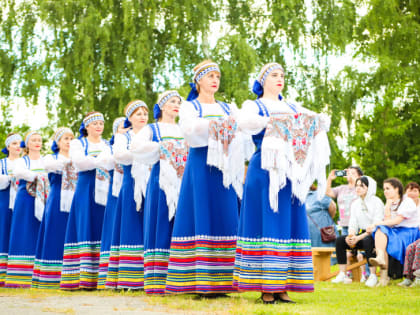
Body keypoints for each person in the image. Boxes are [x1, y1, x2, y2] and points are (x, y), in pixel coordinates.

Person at [233, 63, 330, 303]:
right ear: (262, 81)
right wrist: (272, 122)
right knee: (266, 222)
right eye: (274, 75)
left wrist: (315, 121)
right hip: (264, 169)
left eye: (282, 76)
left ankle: (283, 285)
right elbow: (244, 123)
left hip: (289, 173)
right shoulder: (254, 105)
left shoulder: (292, 105)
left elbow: (317, 121)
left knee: (286, 225)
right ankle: (266, 287)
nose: (280, 79)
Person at [165, 60, 242, 296]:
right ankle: (200, 280)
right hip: (201, 164)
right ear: (198, 80)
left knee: (226, 214)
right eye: (210, 76)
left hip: (226, 169)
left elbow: (240, 127)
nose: (215, 80)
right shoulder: (190, 106)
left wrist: (222, 127)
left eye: (218, 76)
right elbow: (189, 130)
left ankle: (225, 280)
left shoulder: (229, 107)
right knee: (201, 214)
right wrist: (219, 126)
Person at [131, 91, 188, 295]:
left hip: (183, 181)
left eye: (178, 102)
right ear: (162, 106)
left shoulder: (183, 129)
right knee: (161, 221)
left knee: (181, 224)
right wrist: (163, 147)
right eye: (172, 102)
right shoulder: (151, 129)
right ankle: (158, 278)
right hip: (160, 181)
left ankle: (180, 275)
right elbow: (135, 147)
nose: (176, 105)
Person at [60, 112, 114, 290]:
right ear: (87, 126)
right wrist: (100, 161)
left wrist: (94, 161)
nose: (99, 126)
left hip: (105, 187)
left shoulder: (107, 143)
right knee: (85, 224)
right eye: (95, 123)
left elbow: (111, 162)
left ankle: (101, 276)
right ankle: (83, 277)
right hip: (86, 187)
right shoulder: (78, 143)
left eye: (101, 123)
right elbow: (79, 163)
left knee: (101, 226)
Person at [105, 101, 149, 290]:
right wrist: (143, 153)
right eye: (138, 114)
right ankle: (128, 278)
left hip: (150, 181)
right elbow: (120, 156)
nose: (142, 117)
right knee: (131, 223)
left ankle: (151, 273)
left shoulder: (152, 133)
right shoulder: (123, 137)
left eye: (145, 113)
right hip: (130, 182)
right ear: (129, 118)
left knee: (148, 222)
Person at [32, 128, 77, 289]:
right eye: (65, 138)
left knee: (71, 234)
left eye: (71, 138)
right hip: (57, 199)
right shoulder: (51, 158)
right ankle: (51, 276)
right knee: (55, 232)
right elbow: (50, 166)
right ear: (57, 142)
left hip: (74, 199)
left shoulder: (76, 156)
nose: (69, 141)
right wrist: (72, 162)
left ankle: (71, 274)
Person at [5, 131, 48, 288]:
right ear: (27, 144)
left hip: (43, 199)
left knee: (39, 232)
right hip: (25, 200)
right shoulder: (22, 161)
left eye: (39, 140)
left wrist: (41, 177)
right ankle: (20, 275)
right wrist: (38, 176)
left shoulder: (45, 160)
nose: (37, 142)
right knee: (24, 231)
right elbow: (18, 173)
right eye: (34, 140)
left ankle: (39, 272)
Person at [331, 176, 384, 287]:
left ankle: (373, 275)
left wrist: (358, 238)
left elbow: (375, 225)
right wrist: (351, 236)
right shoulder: (355, 203)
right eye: (357, 185)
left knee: (367, 241)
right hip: (360, 234)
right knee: (340, 240)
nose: (358, 188)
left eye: (361, 186)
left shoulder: (377, 202)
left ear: (369, 188)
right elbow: (353, 223)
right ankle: (342, 273)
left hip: (376, 235)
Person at [367, 178, 420, 286]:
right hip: (396, 231)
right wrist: (387, 208)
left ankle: (383, 271)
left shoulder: (407, 201)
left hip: (409, 232)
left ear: (397, 189)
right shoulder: (390, 203)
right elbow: (388, 223)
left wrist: (377, 223)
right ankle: (383, 275)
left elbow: (396, 221)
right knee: (380, 232)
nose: (385, 191)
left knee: (380, 229)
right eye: (384, 189)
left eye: (388, 188)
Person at [97, 117, 126, 289]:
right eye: (123, 127)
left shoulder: (136, 141)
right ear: (116, 131)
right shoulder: (110, 147)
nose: (127, 130)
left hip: (134, 189)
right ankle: (111, 273)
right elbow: (102, 162)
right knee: (114, 226)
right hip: (116, 191)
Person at [0, 133, 22, 286]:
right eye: (14, 143)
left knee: (18, 230)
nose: (17, 146)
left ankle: (17, 268)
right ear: (8, 147)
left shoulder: (24, 162)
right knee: (4, 230)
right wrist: (11, 177)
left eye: (19, 143)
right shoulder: (2, 163)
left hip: (21, 200)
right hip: (4, 199)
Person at [326, 166, 363, 235]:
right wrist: (330, 179)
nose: (350, 174)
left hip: (358, 226)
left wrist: (354, 178)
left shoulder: (361, 188)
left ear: (359, 176)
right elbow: (328, 192)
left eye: (353, 173)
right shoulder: (341, 188)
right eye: (348, 173)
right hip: (344, 226)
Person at [398, 182, 420, 287]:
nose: (412, 193)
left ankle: (418, 276)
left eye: (415, 190)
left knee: (419, 247)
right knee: (410, 247)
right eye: (410, 190)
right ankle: (408, 277)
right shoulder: (402, 202)